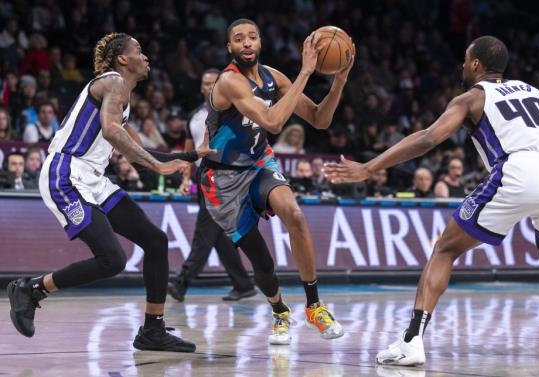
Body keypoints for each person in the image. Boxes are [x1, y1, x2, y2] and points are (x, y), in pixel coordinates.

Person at [324, 36, 539, 364]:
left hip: (519, 171)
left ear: (476, 64)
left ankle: (411, 341)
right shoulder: (533, 94)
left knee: (445, 249)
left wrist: (369, 167)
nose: (463, 66)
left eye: (466, 61)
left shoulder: (470, 99)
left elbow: (428, 138)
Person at [6, 33, 214, 353]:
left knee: (155, 241)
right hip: (66, 173)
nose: (146, 57)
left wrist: (182, 159)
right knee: (112, 260)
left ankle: (152, 330)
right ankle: (31, 289)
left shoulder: (122, 94)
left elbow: (130, 146)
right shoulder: (114, 81)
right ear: (121, 59)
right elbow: (111, 130)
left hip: (94, 177)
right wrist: (158, 167)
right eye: (139, 51)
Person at [203, 18, 354, 344]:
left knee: (294, 214)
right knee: (263, 263)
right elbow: (272, 121)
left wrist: (338, 80)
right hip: (224, 179)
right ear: (230, 47)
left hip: (258, 164)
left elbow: (319, 119)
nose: (246, 43)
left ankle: (314, 306)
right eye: (239, 39)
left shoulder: (274, 78)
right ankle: (280, 311)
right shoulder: (229, 82)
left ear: (259, 43)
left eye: (252, 37)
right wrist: (306, 72)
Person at [168, 68, 256, 303]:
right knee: (216, 235)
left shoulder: (233, 111)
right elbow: (189, 150)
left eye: (213, 83)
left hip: (225, 175)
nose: (209, 87)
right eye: (205, 83)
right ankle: (243, 284)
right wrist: (186, 178)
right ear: (201, 87)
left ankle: (181, 282)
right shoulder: (195, 116)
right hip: (202, 175)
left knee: (205, 230)